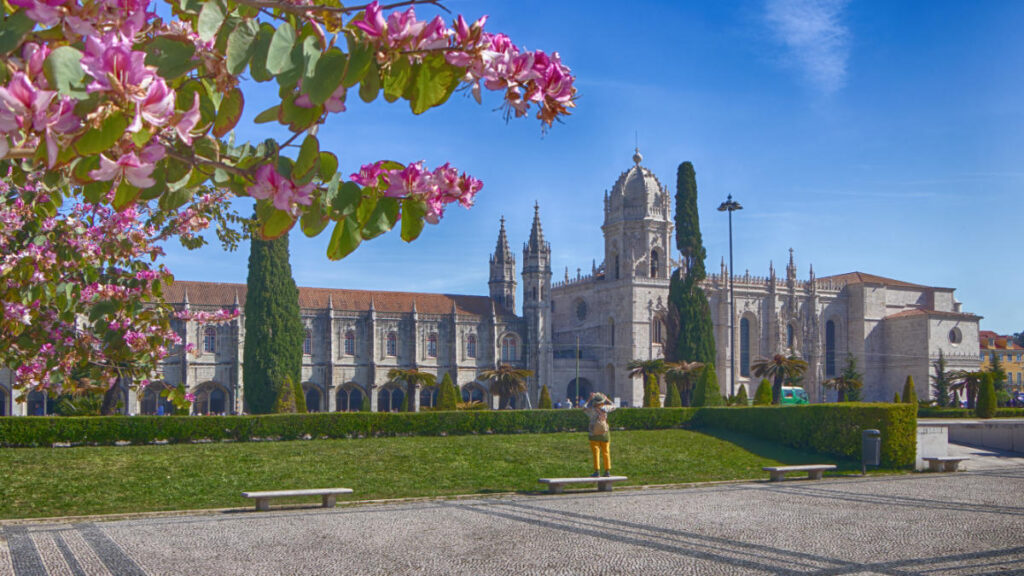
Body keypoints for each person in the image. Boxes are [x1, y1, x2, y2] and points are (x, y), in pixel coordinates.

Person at [582, 392, 616, 477]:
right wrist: (607, 399)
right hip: (605, 433)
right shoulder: (605, 408)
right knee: (606, 452)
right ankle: (607, 471)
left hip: (593, 434)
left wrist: (589, 399)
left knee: (596, 453)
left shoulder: (591, 410)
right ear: (602, 401)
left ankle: (597, 471)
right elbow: (614, 406)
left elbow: (583, 408)